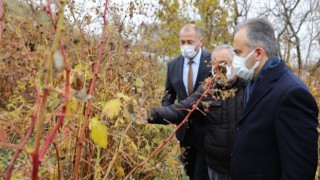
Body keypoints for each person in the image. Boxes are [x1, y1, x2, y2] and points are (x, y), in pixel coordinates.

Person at [230, 17, 319, 179]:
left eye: (238, 52)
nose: (234, 59)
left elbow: (299, 172)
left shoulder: (292, 94)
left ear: (258, 53)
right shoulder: (253, 83)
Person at [148, 45, 246, 180]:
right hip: (216, 166)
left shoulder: (248, 86)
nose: (218, 69)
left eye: (223, 64)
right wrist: (149, 114)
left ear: (234, 64)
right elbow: (180, 110)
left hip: (244, 164)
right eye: (214, 65)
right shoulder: (207, 89)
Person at [161, 23, 211, 179]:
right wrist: (167, 113)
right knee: (189, 174)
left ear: (200, 41)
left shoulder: (212, 61)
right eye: (182, 42)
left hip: (207, 131)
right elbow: (169, 94)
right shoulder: (173, 65)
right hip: (184, 133)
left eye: (190, 42)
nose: (185, 46)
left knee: (201, 176)